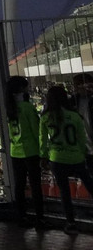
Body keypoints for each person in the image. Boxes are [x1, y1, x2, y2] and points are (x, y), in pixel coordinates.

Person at [41, 84, 93, 235]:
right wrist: (83, 153)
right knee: (90, 185)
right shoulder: (75, 116)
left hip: (57, 159)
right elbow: (82, 138)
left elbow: (42, 140)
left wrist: (43, 156)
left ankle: (71, 223)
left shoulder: (45, 117)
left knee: (64, 192)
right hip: (76, 157)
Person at [4, 75, 44, 226]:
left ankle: (21, 216)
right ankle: (40, 218)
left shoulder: (9, 108)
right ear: (21, 89)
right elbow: (36, 131)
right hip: (30, 151)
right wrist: (42, 152)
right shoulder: (27, 107)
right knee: (35, 186)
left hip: (16, 151)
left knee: (19, 185)